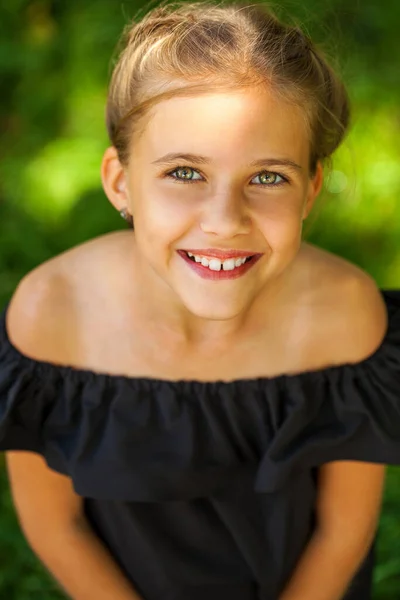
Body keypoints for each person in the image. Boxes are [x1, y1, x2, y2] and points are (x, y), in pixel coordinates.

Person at [0, 1, 399, 598]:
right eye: (185, 173)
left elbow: (344, 531)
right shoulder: (52, 316)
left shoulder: (344, 315)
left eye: (268, 177)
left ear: (311, 188)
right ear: (120, 182)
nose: (224, 221)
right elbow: (56, 527)